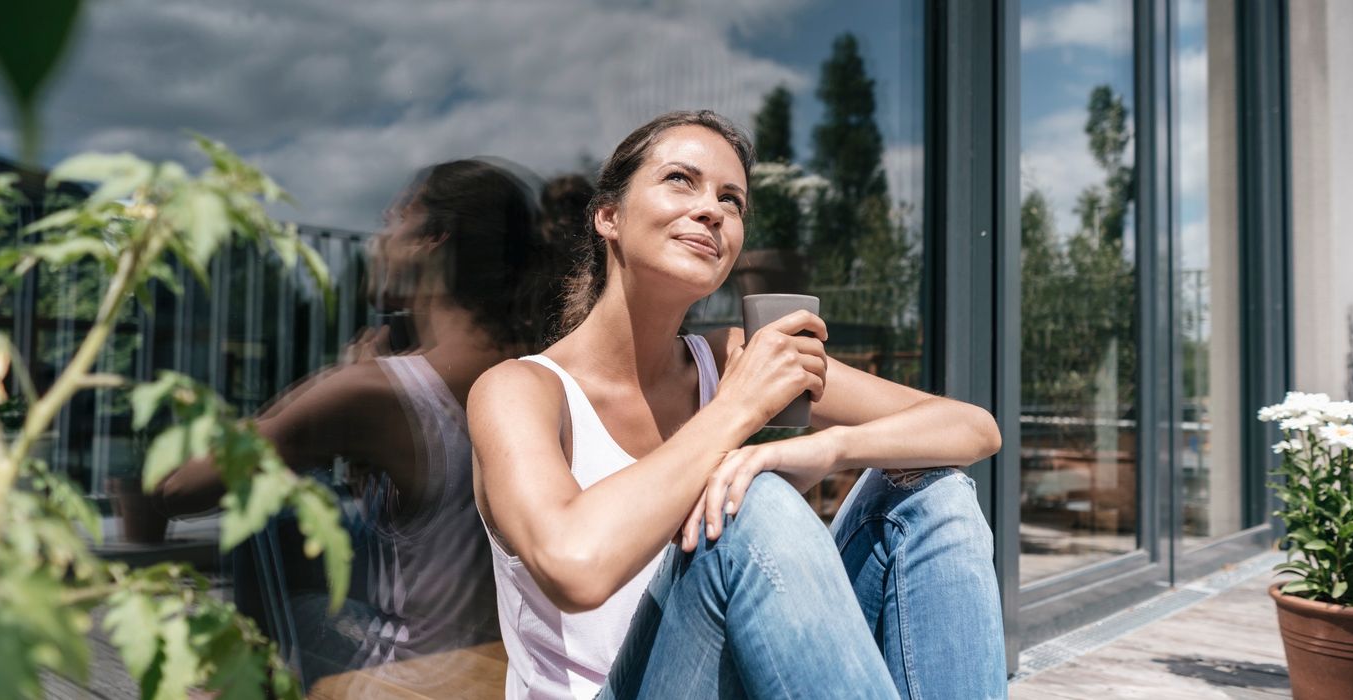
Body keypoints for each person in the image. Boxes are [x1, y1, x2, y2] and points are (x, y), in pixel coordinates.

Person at [470, 111, 1007, 699]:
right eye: (681, 179)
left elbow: (972, 427)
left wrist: (826, 448)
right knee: (753, 503)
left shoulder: (730, 356)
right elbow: (576, 566)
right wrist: (738, 411)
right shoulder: (520, 390)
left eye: (732, 200)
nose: (713, 209)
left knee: (932, 494)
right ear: (608, 216)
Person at [158, 158, 568, 688]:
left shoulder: (377, 392)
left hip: (411, 678)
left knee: (265, 525)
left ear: (431, 239)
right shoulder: (536, 364)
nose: (377, 241)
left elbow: (181, 489)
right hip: (505, 669)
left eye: (390, 221)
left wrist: (334, 386)